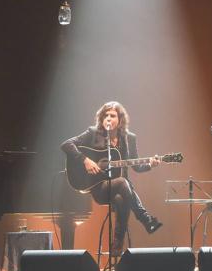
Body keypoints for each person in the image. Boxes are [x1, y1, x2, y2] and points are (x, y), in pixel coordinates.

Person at [61, 101, 163, 256]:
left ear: (120, 120)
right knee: (123, 182)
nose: (108, 118)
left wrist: (150, 165)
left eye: (112, 115)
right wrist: (85, 160)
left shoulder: (129, 139)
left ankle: (116, 247)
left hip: (123, 190)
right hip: (99, 188)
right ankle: (145, 218)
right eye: (105, 115)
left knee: (122, 198)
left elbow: (136, 166)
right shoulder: (93, 133)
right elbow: (67, 144)